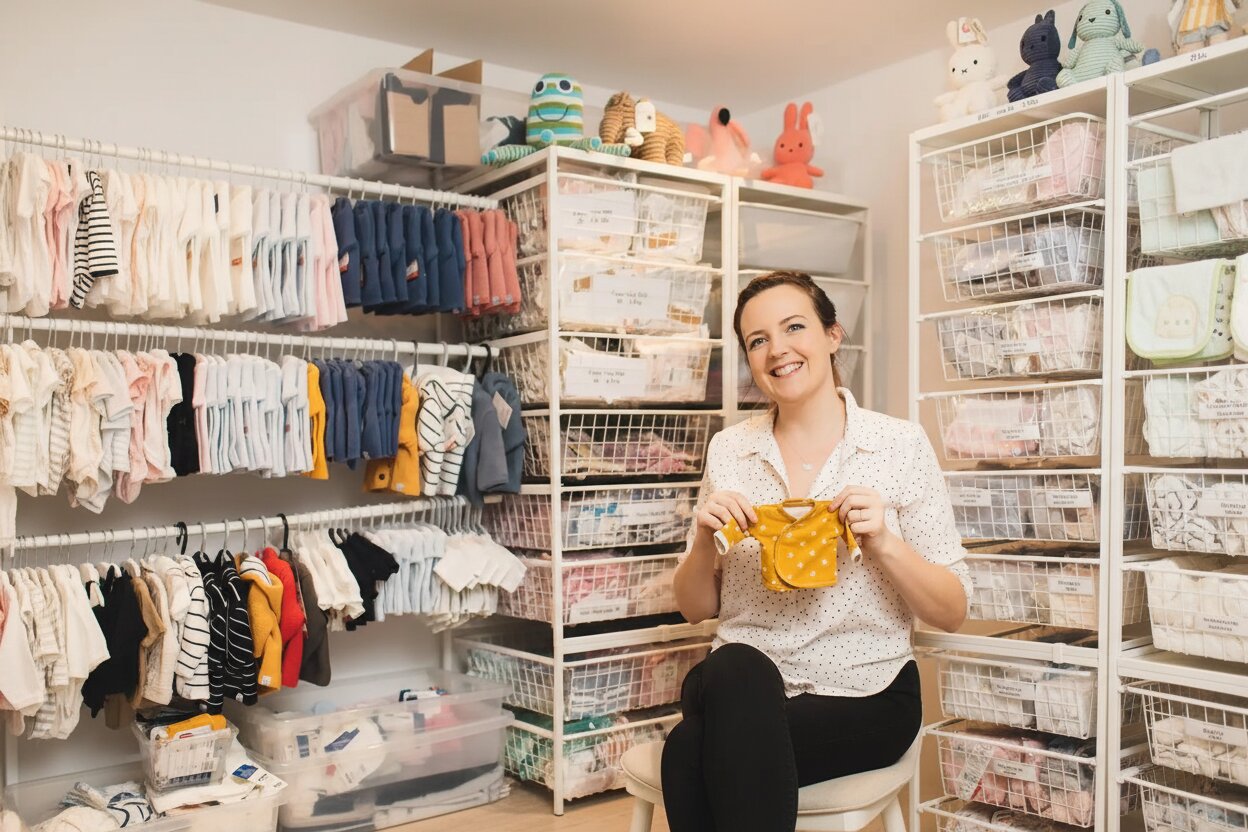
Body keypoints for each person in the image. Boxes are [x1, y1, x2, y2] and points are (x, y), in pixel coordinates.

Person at [664, 271, 971, 832]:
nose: (778, 349)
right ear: (750, 359)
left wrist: (884, 542)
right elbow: (694, 608)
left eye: (794, 327)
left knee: (688, 749)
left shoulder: (898, 446)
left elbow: (951, 611)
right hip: (744, 683)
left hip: (867, 693)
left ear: (833, 334)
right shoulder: (730, 450)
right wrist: (705, 537)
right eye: (758, 340)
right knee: (735, 667)